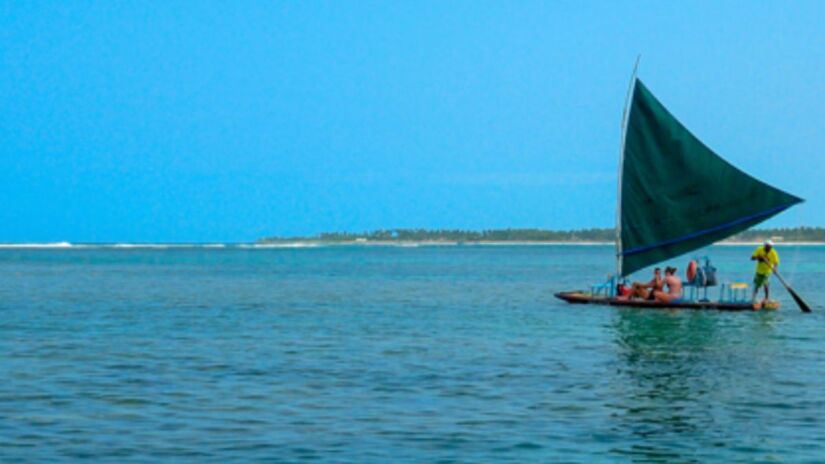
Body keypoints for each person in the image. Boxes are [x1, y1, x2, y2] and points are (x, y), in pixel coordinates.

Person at [751, 239, 779, 307]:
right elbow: (752, 258)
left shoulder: (773, 252)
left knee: (765, 283)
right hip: (759, 271)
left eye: (771, 247)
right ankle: (753, 299)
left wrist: (775, 269)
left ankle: (766, 298)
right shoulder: (759, 249)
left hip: (767, 271)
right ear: (765, 246)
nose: (770, 248)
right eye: (768, 247)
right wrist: (759, 258)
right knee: (756, 285)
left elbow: (776, 262)